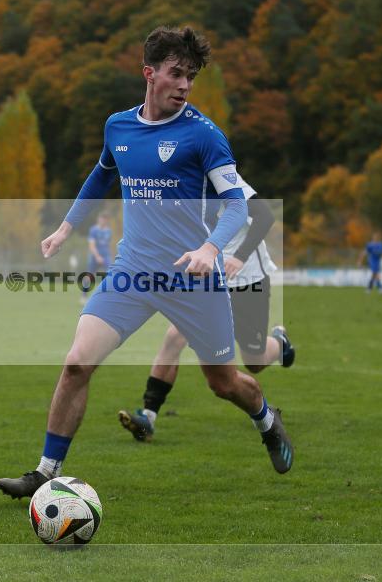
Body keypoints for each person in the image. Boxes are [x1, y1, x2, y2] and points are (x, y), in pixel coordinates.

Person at [0, 26, 294, 499]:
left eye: (191, 76)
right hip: (132, 272)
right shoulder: (119, 126)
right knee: (76, 363)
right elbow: (101, 175)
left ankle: (266, 418)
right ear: (149, 74)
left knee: (226, 384)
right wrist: (65, 228)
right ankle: (46, 472)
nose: (185, 85)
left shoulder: (204, 135)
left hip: (194, 279)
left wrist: (210, 249)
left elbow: (238, 205)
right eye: (177, 73)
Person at [118, 181, 296, 442]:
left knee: (254, 361)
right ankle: (148, 417)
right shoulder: (182, 182)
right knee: (174, 338)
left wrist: (240, 256)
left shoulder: (226, 178)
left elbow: (265, 216)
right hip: (208, 278)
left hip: (247, 279)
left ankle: (280, 345)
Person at [81, 213, 113, 303]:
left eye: (105, 219)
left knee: (110, 274)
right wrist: (97, 256)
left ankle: (106, 297)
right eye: (102, 219)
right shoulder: (93, 230)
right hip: (94, 257)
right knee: (89, 276)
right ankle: (83, 296)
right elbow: (91, 245)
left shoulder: (109, 231)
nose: (104, 221)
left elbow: (108, 245)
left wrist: (109, 255)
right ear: (99, 219)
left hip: (105, 256)